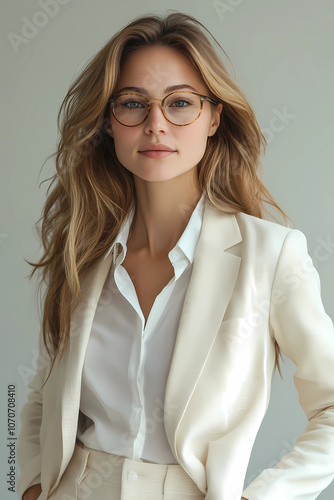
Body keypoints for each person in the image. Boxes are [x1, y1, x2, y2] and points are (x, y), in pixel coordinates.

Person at [17, 10, 334, 500]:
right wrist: (33, 483)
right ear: (108, 122)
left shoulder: (270, 256)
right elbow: (42, 391)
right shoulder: (83, 250)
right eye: (132, 104)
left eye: (180, 103)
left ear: (213, 118)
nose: (156, 125)